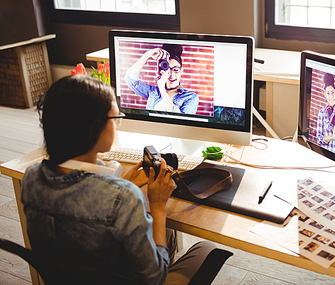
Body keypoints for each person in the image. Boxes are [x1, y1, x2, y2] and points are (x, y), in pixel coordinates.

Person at [21, 75, 217, 285]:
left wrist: (124, 186)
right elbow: (154, 278)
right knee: (207, 249)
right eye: (115, 119)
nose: (117, 126)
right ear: (93, 127)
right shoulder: (124, 197)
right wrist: (158, 205)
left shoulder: (32, 177)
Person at [125, 44, 199, 114]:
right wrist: (147, 55)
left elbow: (182, 121)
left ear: (181, 71)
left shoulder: (191, 97)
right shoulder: (154, 92)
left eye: (176, 69)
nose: (172, 75)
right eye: (168, 70)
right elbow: (130, 80)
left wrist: (162, 89)